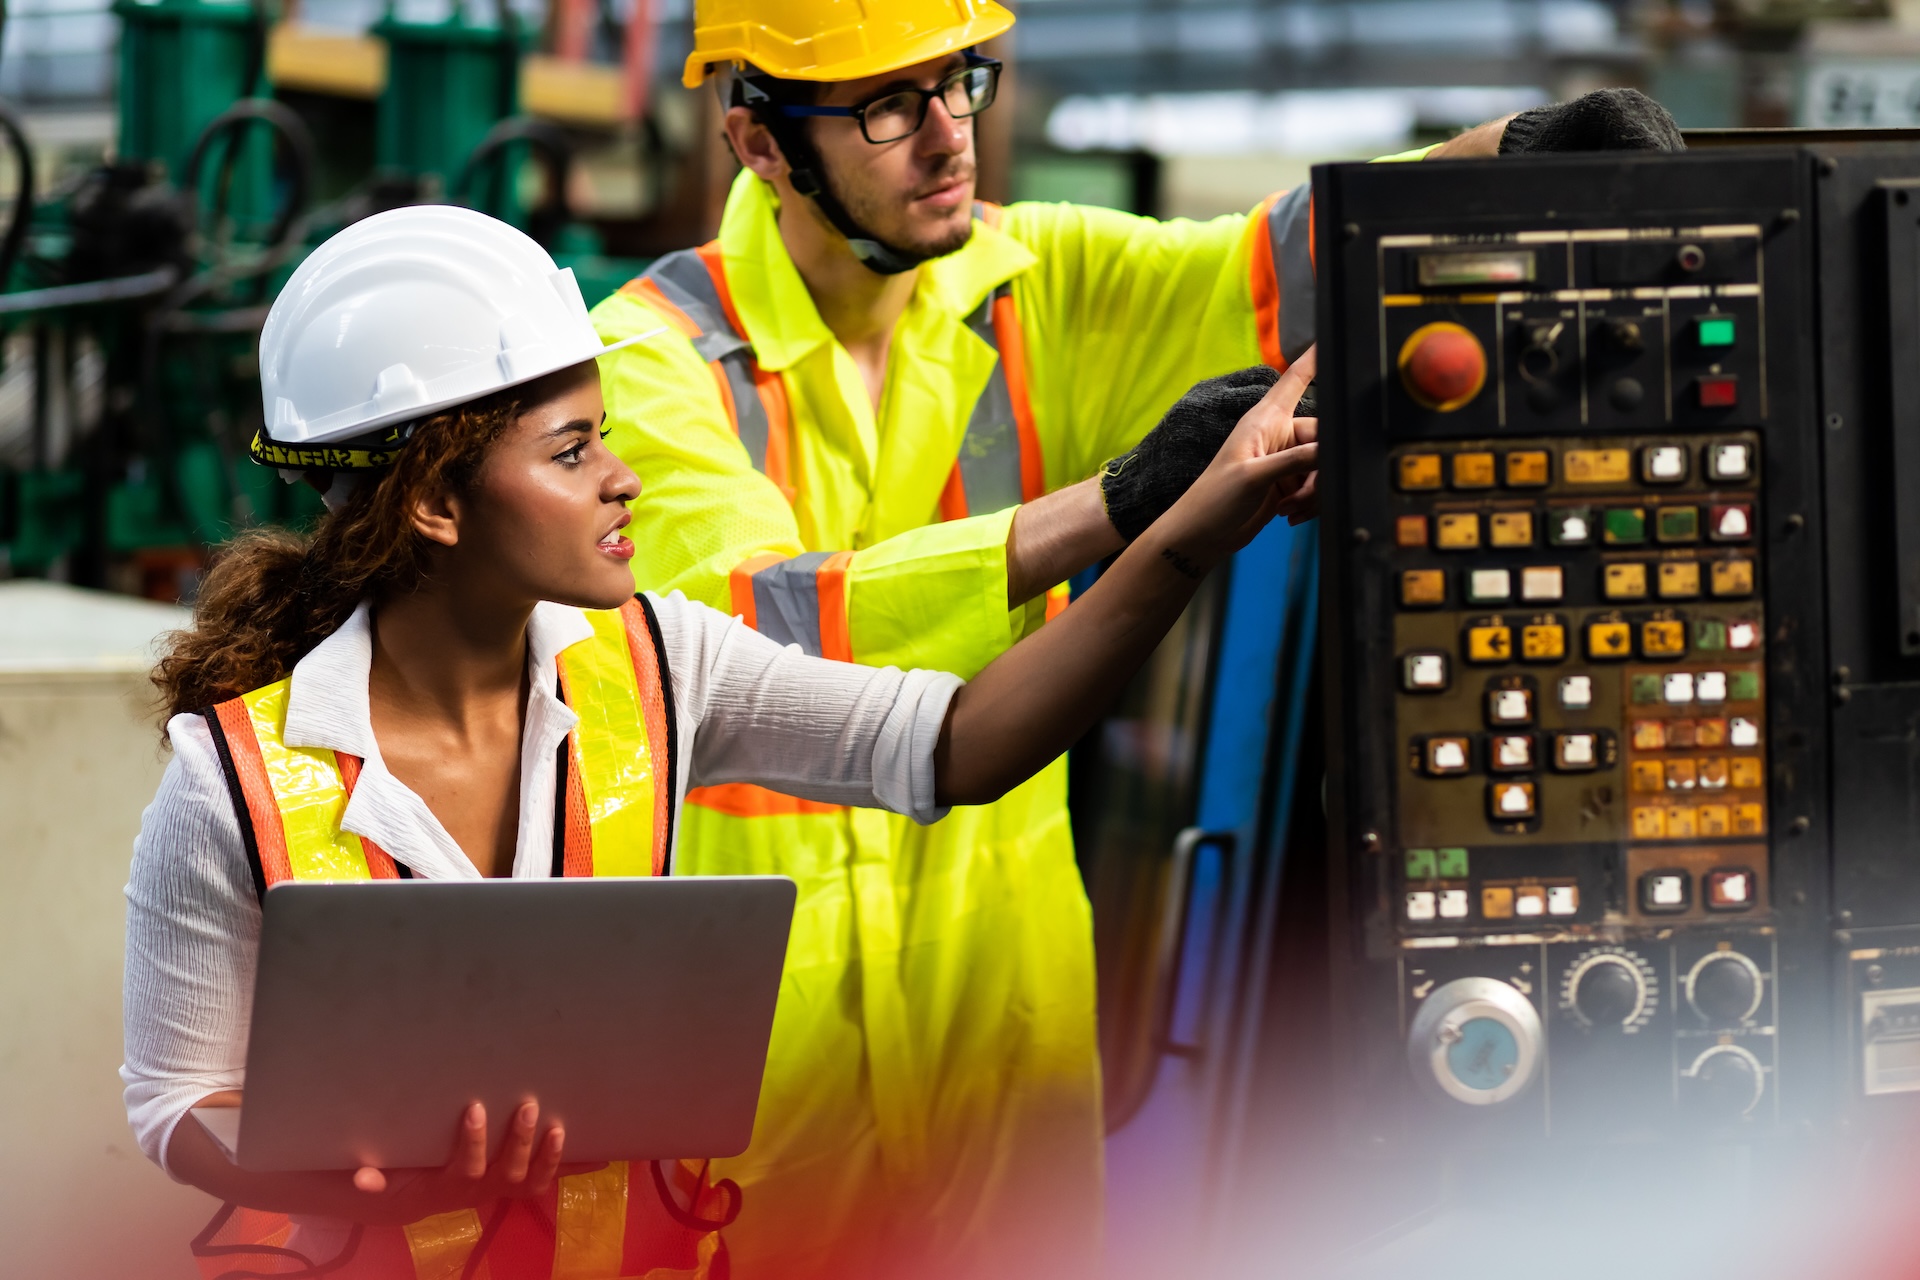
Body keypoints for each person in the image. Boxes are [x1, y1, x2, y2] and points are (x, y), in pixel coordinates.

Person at [587, 0, 1687, 1272]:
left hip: (1008, 1035)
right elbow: (762, 624)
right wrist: (1113, 505)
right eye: (889, 105)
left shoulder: (1030, 288)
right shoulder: (648, 358)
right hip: (766, 1075)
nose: (949, 137)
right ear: (762, 144)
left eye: (960, 82)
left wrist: (1512, 161)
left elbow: (1279, 261)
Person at [119, 206, 1317, 1279]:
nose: (624, 478)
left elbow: (956, 743)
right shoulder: (227, 782)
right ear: (433, 501)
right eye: (572, 449)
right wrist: (350, 1173)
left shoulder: (662, 661)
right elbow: (178, 1097)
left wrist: (1177, 536)